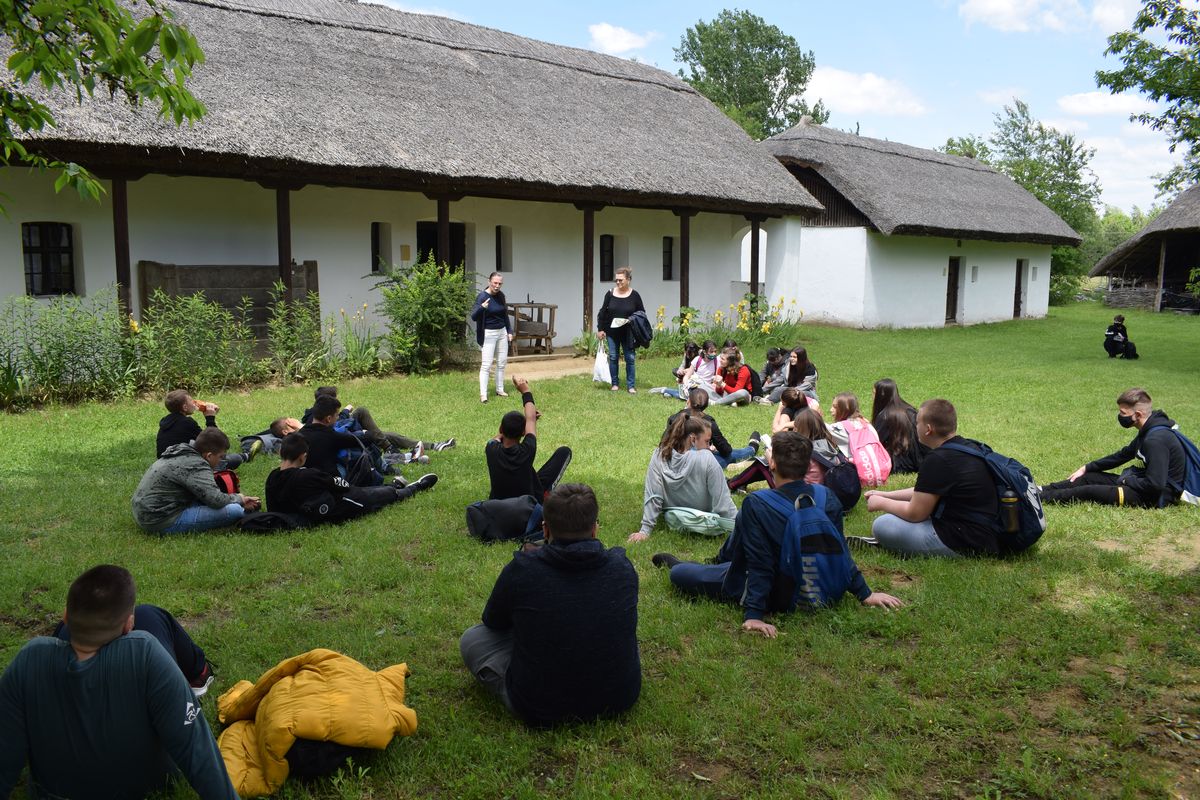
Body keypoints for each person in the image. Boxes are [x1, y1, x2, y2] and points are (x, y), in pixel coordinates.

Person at [0, 565, 239, 799]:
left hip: (53, 790)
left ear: (65, 617)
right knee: (151, 616)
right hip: (150, 786)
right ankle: (198, 672)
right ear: (129, 624)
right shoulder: (144, 653)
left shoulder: (31, 658)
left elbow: (5, 749)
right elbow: (196, 749)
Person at [651, 432, 903, 638]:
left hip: (781, 592)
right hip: (823, 583)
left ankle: (693, 564)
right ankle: (720, 563)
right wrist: (865, 593)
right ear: (808, 465)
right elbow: (841, 550)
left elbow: (760, 562)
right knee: (733, 553)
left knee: (680, 574)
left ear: (772, 464)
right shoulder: (827, 497)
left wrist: (754, 614)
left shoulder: (758, 503)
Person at [459, 483, 640, 727]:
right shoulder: (622, 567)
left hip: (539, 705)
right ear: (595, 528)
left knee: (472, 639)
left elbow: (493, 622)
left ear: (545, 529)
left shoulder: (523, 570)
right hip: (620, 696)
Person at [864, 399, 1000, 557]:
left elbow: (915, 513)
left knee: (883, 525)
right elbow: (926, 492)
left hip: (967, 539)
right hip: (986, 531)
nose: (915, 427)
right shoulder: (967, 447)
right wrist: (885, 494)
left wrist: (880, 503)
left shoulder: (938, 459)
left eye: (917, 423)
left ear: (928, 429)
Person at [1041, 387, 1185, 508]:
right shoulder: (1149, 429)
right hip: (1142, 484)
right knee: (1089, 477)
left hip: (1155, 497)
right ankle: (1041, 489)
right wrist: (1087, 467)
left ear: (1138, 415)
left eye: (1123, 413)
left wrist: (1127, 480)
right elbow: (1123, 455)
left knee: (1088, 491)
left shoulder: (1155, 440)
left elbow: (1155, 485)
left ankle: (1039, 499)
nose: (1120, 416)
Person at [266, 433, 438, 522]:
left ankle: (395, 485)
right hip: (339, 506)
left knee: (369, 490)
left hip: (313, 509)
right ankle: (416, 487)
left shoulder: (272, 478)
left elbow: (273, 509)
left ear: (281, 453)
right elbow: (342, 486)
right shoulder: (308, 475)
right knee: (384, 495)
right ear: (303, 457)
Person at [630, 414, 737, 542]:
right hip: (706, 517)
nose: (709, 447)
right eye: (707, 441)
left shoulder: (659, 455)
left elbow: (654, 495)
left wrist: (645, 530)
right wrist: (738, 525)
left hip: (675, 518)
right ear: (693, 439)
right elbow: (722, 501)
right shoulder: (707, 458)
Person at [132, 427, 260, 533]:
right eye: (221, 457)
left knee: (230, 504)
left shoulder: (182, 452)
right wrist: (239, 499)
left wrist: (238, 500)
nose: (222, 460)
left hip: (146, 512)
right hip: (159, 520)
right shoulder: (197, 465)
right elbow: (216, 500)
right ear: (209, 456)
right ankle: (246, 514)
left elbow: (206, 495)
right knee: (234, 511)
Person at [486, 376, 572, 501]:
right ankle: (545, 496)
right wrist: (525, 390)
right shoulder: (527, 450)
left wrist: (521, 424)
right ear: (523, 432)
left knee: (527, 472)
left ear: (501, 429)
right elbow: (530, 419)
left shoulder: (491, 449)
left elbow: (497, 437)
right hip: (528, 504)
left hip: (498, 505)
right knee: (565, 452)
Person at [302, 386, 453, 454]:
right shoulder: (313, 418)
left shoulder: (322, 413)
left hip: (351, 433)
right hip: (349, 437)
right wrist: (346, 412)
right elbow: (332, 430)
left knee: (387, 435)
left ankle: (433, 445)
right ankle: (389, 449)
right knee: (363, 413)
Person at [156, 389, 259, 468]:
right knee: (226, 459)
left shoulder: (166, 421)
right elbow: (216, 441)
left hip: (163, 464)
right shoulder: (186, 422)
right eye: (191, 401)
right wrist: (210, 418)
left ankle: (245, 455)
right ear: (185, 407)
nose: (195, 403)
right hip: (181, 466)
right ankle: (246, 456)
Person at [665, 388, 761, 469]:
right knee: (728, 456)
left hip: (673, 460)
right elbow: (726, 450)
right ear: (706, 404)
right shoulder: (708, 421)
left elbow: (665, 443)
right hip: (695, 463)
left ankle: (750, 449)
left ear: (688, 400)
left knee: (710, 455)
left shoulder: (674, 418)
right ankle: (751, 448)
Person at [596, 266, 646, 393]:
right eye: (616, 280)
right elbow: (602, 312)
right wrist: (600, 329)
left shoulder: (635, 295)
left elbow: (641, 313)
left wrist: (631, 319)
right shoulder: (610, 294)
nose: (618, 282)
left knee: (630, 358)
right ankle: (614, 384)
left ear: (628, 280)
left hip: (628, 333)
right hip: (612, 332)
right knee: (613, 357)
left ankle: (631, 386)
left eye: (621, 280)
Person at [471, 271, 514, 403]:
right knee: (486, 365)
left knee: (501, 363)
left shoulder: (501, 296)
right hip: (488, 333)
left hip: (502, 332)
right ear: (489, 282)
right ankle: (483, 395)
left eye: (500, 283)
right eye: (495, 283)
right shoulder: (482, 297)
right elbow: (473, 317)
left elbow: (505, 315)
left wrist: (509, 331)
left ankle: (500, 389)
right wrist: (482, 307)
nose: (497, 286)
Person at [871, 378, 927, 474]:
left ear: (881, 395)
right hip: (919, 458)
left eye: (874, 393)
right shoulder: (909, 409)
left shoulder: (885, 416)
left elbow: (877, 442)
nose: (872, 396)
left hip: (901, 462)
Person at [652, 339, 719, 400]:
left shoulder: (716, 361)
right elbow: (687, 376)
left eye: (715, 351)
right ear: (704, 352)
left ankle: (669, 393)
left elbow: (717, 376)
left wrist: (715, 384)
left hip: (707, 387)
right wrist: (686, 385)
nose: (714, 354)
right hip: (695, 386)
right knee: (691, 397)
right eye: (711, 352)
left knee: (698, 398)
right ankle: (664, 390)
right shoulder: (697, 360)